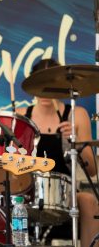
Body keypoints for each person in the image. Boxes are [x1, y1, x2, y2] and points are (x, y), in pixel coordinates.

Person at [16, 58, 99, 247]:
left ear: (62, 86)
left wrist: (75, 142)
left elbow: (92, 170)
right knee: (8, 201)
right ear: (32, 86)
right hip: (29, 191)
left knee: (88, 200)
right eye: (41, 85)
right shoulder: (21, 115)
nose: (46, 91)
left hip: (65, 192)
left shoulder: (76, 114)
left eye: (51, 85)